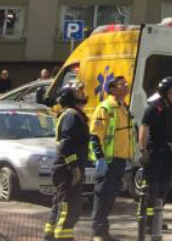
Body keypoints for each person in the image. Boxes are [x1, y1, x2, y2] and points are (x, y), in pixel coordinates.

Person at [139, 76, 172, 242]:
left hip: (168, 154)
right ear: (164, 92)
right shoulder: (153, 108)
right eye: (171, 92)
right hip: (155, 153)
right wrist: (142, 150)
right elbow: (143, 129)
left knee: (165, 187)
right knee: (153, 188)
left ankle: (157, 219)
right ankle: (148, 222)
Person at [45, 82, 89, 241]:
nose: (82, 96)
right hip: (67, 170)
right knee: (68, 208)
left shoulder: (68, 114)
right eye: (78, 94)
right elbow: (66, 145)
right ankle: (63, 238)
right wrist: (74, 168)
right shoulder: (71, 115)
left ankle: (50, 235)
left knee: (59, 204)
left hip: (62, 168)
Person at [90, 76, 133, 242]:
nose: (126, 86)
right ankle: (97, 233)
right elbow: (95, 135)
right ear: (113, 88)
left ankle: (104, 231)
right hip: (108, 161)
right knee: (102, 196)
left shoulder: (122, 107)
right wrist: (100, 158)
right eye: (122, 84)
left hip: (120, 160)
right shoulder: (105, 108)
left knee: (110, 198)